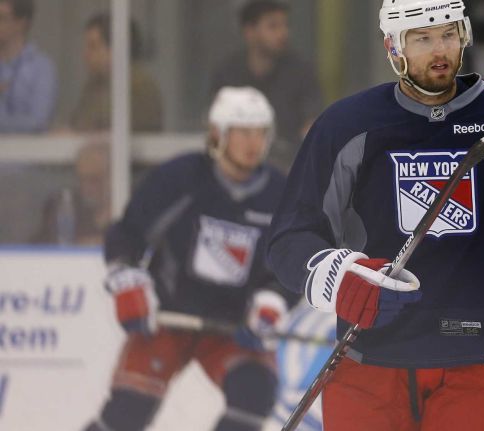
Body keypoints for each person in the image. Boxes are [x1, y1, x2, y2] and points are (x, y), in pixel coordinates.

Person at [266, 1, 484, 430]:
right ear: (393, 47)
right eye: (422, 38)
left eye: (449, 34)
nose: (440, 50)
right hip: (371, 361)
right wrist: (339, 276)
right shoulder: (348, 125)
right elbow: (290, 237)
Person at [85, 87, 293, 431]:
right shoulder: (180, 178)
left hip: (234, 327)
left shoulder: (280, 194)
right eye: (242, 132)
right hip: (167, 318)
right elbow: (127, 234)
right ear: (217, 133)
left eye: (260, 132)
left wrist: (272, 302)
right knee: (127, 411)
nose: (253, 142)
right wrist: (127, 280)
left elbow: (292, 265)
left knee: (255, 394)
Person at [209, 0, 322, 174]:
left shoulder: (300, 72)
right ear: (249, 32)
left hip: (290, 168)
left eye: (285, 25)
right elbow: (216, 130)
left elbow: (312, 126)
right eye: (273, 26)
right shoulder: (228, 74)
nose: (283, 33)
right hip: (236, 168)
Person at [70, 12, 163, 132]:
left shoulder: (141, 87)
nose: (85, 54)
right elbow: (77, 124)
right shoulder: (93, 85)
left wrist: (77, 134)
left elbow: (118, 135)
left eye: (93, 46)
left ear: (116, 49)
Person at [31, 141, 110, 245]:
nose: (87, 188)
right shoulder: (64, 208)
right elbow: (35, 248)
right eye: (82, 179)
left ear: (111, 178)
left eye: (94, 180)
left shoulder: (130, 214)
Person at [0, 0, 56, 132]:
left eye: (1, 18)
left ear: (21, 23)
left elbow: (38, 121)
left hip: (30, 150)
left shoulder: (42, 68)